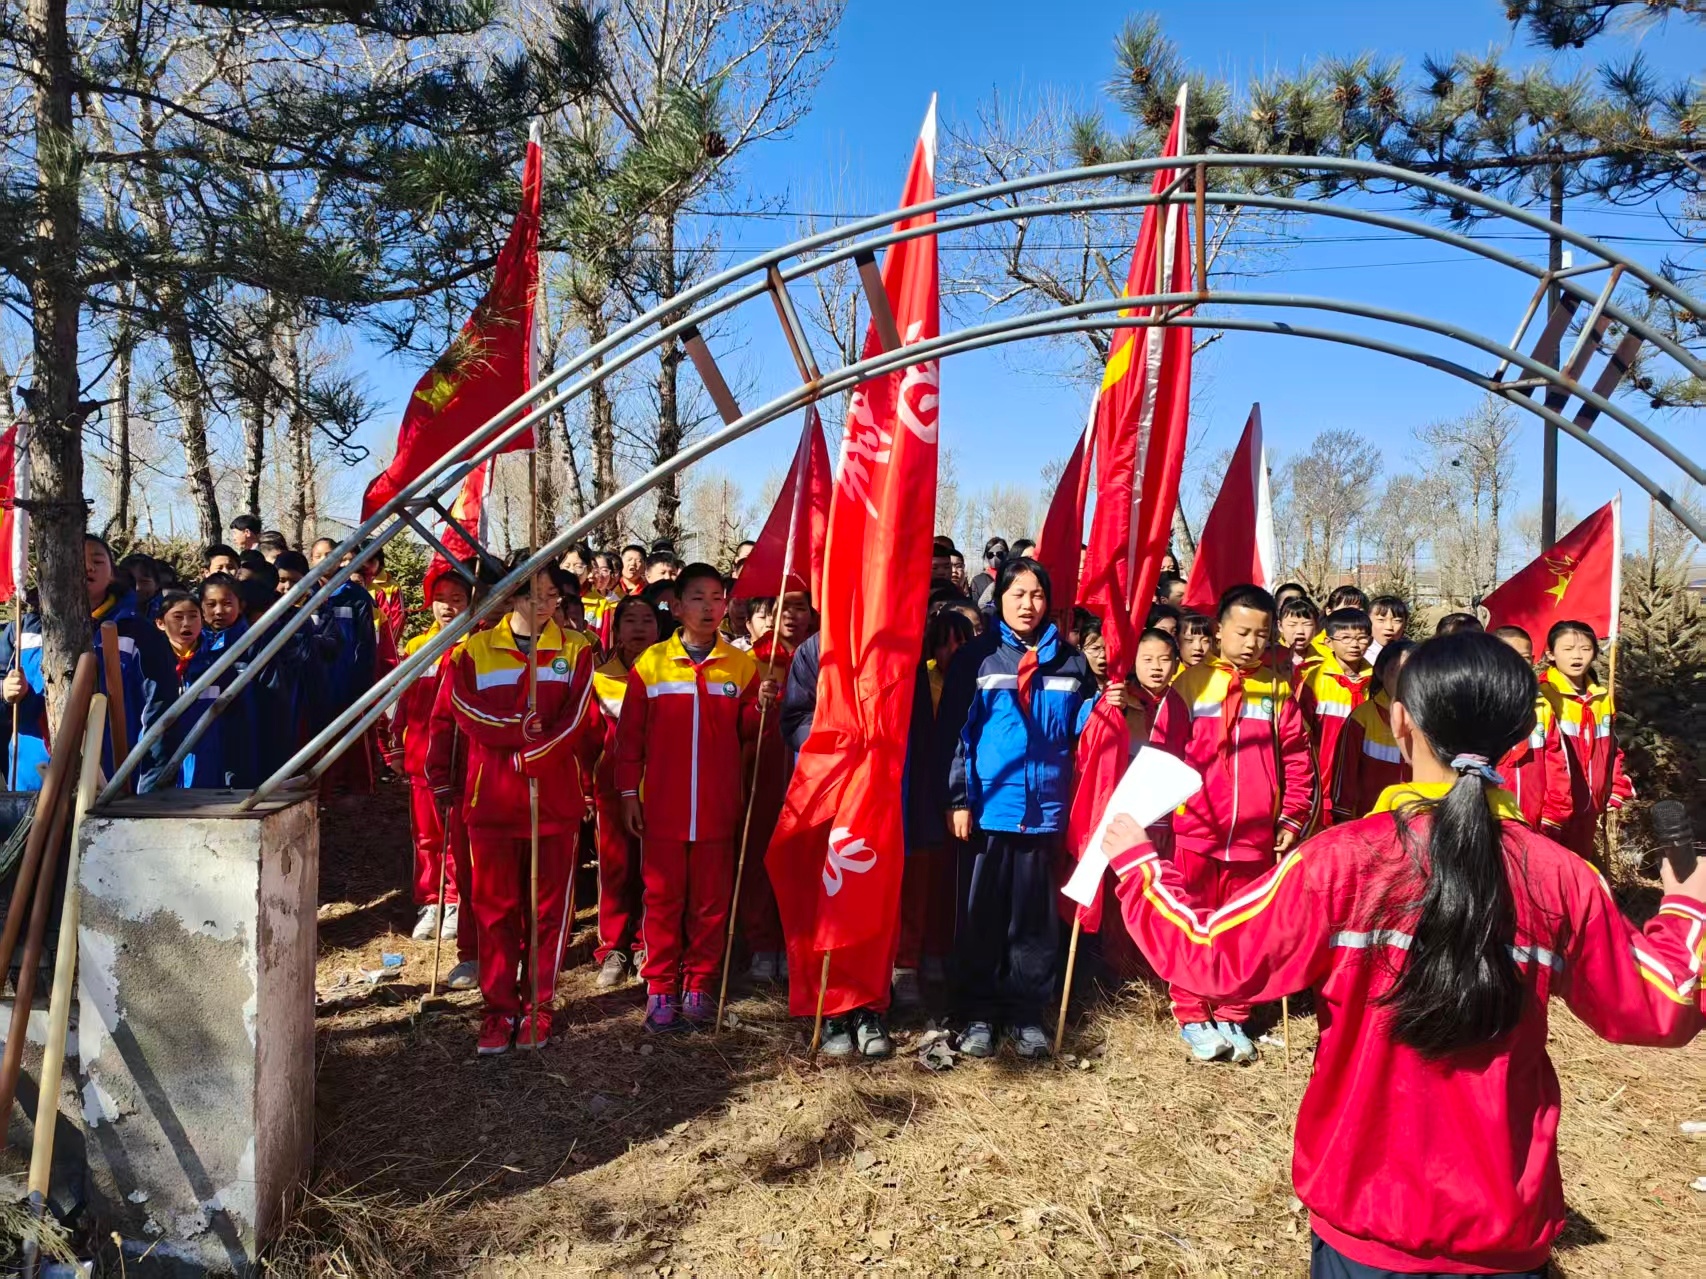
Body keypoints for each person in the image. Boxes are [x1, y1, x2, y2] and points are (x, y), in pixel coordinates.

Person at [1102, 631, 1705, 1278]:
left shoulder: (1339, 862)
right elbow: (1662, 1003)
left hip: (1362, 1224)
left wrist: (1139, 864)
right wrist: (1687, 908)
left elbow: (1210, 955)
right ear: (1521, 737)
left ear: (1399, 721)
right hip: (1502, 1231)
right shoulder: (1560, 878)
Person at [939, 557, 1114, 1061]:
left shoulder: (1070, 662)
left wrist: (1106, 707)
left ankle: (1025, 1013)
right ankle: (977, 1012)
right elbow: (956, 735)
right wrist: (957, 798)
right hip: (989, 809)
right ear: (1001, 599)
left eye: (1037, 596)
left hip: (1046, 812)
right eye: (1018, 594)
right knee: (983, 918)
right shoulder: (978, 658)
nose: (1028, 605)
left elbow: (1085, 732)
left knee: (1034, 922)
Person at [1148, 584, 1315, 1063]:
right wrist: (1164, 816)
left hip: (1255, 836)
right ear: (1218, 630)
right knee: (1194, 919)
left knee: (1244, 926)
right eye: (1242, 632)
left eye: (1262, 635)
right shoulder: (1189, 685)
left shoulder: (1277, 690)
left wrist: (1292, 815)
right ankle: (1193, 1012)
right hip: (1196, 831)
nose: (1252, 643)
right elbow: (1164, 753)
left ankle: (1234, 1013)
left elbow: (1297, 760)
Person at [614, 563, 778, 1033]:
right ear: (677, 606)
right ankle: (661, 987)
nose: (709, 608)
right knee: (663, 899)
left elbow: (748, 732)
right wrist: (629, 793)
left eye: (717, 599)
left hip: (717, 808)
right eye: (698, 599)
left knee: (710, 903)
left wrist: (760, 706)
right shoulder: (652, 665)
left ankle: (700, 984)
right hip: (661, 809)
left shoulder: (741, 666)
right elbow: (630, 741)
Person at [441, 563, 595, 1054]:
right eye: (533, 594)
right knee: (494, 910)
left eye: (551, 594)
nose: (543, 604)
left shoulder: (576, 650)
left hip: (554, 800)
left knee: (548, 911)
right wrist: (514, 732)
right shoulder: (475, 649)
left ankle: (538, 1006)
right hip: (492, 802)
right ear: (511, 597)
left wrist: (538, 753)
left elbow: (576, 718)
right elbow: (464, 708)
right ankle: (498, 1009)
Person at [0, 535, 176, 791]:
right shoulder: (23, 630)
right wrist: (6, 692)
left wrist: (149, 783)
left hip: (113, 780)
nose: (88, 567)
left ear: (113, 575)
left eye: (97, 560)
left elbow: (159, 710)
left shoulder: (138, 633)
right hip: (30, 779)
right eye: (78, 560)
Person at [391, 568, 474, 945]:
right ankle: (431, 901)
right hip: (421, 760)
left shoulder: (477, 647)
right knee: (426, 837)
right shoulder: (416, 647)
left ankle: (456, 901)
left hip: (463, 762)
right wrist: (394, 744)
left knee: (458, 836)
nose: (448, 607)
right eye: (442, 599)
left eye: (458, 599)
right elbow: (401, 703)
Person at [588, 596, 661, 989]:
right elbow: (588, 738)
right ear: (615, 630)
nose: (638, 628)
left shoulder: (670, 673)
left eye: (647, 620)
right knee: (616, 871)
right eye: (629, 620)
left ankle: (646, 943)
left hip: (664, 789)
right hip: (612, 790)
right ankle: (612, 948)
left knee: (655, 872)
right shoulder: (600, 678)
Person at [1537, 620, 1632, 866]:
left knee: (1582, 866)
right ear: (1550, 653)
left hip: (1590, 805)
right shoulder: (1544, 695)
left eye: (1585, 649)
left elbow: (1611, 748)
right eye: (1568, 649)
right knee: (1552, 871)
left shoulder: (1601, 698)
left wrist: (1615, 785)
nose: (1577, 656)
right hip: (1553, 809)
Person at [1296, 607, 1374, 822]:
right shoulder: (1315, 680)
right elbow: (1301, 734)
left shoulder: (1376, 681)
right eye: (1346, 638)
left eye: (1361, 638)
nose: (1354, 644)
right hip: (1323, 781)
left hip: (1364, 782)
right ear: (1328, 642)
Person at [1329, 638, 1414, 822]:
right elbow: (1345, 777)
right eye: (1395, 671)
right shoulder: (1362, 717)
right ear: (1380, 673)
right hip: (1368, 823)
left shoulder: (1426, 719)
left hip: (1413, 821)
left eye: (1409, 671)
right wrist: (1343, 820)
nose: (1402, 679)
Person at [1277, 595, 1320, 670]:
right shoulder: (1270, 658)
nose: (1300, 631)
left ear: (1316, 627)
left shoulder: (1325, 661)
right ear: (1280, 626)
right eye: (1292, 624)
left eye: (1307, 624)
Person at [1366, 594, 1409, 662]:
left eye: (1397, 621)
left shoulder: (1413, 654)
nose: (1389, 627)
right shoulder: (1358, 654)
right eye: (1381, 620)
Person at [970, 537, 1008, 608]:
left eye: (999, 554)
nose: (994, 558)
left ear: (1006, 554)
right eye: (990, 555)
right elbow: (974, 607)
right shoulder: (977, 580)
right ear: (986, 556)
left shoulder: (1011, 577)